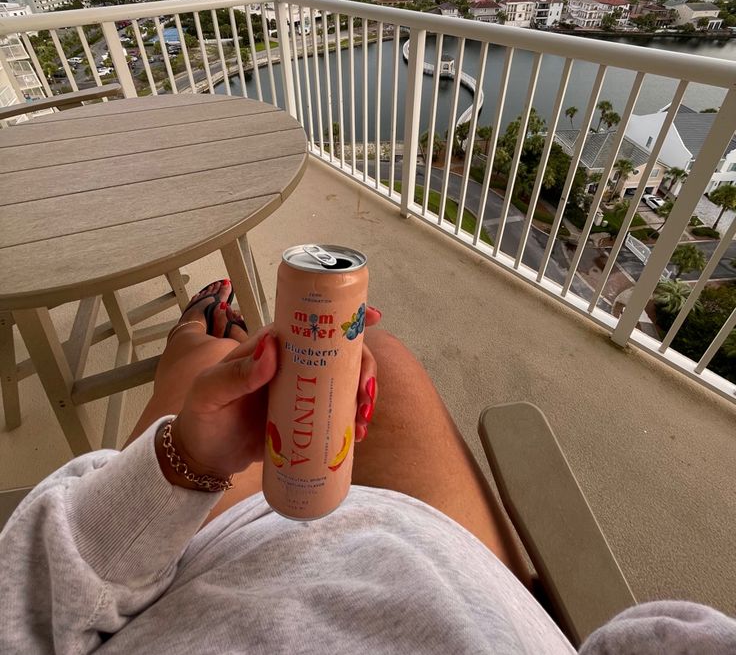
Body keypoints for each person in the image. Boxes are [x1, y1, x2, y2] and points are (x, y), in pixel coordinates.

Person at [1, 280, 734, 654]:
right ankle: (234, 341)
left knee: (211, 371)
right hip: (444, 560)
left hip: (194, 564)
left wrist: (188, 458)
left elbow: (27, 611)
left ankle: (198, 329)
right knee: (390, 370)